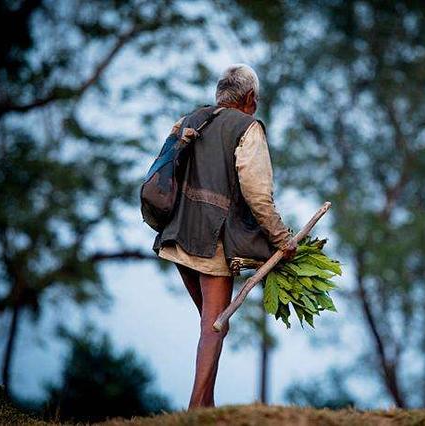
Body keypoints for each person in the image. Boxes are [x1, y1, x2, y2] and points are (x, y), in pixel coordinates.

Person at [151, 64, 297, 409]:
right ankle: (195, 410)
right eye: (255, 99)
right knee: (213, 328)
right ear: (249, 98)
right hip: (210, 243)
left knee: (214, 325)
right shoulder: (247, 128)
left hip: (175, 239)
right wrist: (282, 238)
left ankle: (207, 406)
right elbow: (258, 195)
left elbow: (162, 171)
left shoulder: (190, 120)